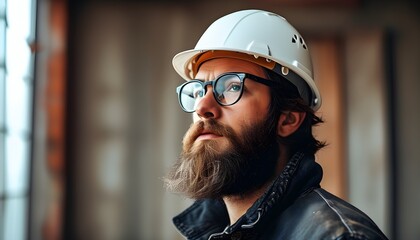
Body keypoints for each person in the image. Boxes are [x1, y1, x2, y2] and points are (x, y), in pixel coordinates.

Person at [164, 9, 388, 240]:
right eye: (199, 90)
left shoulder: (339, 237)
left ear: (288, 118)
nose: (202, 107)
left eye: (232, 87)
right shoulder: (211, 231)